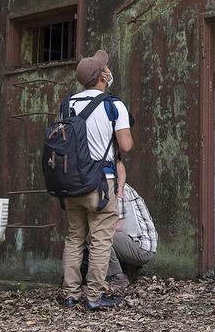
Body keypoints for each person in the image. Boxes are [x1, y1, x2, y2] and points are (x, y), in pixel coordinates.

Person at [61, 50, 134, 310]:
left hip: (72, 182)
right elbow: (125, 145)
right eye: (107, 68)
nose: (109, 71)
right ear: (103, 76)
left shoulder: (68, 103)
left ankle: (70, 294)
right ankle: (94, 296)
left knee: (74, 237)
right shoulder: (113, 105)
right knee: (100, 240)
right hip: (102, 182)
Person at [106, 181, 158, 290]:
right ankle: (129, 270)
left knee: (98, 236)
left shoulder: (117, 188)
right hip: (137, 243)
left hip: (141, 248)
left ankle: (118, 278)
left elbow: (118, 225)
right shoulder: (115, 185)